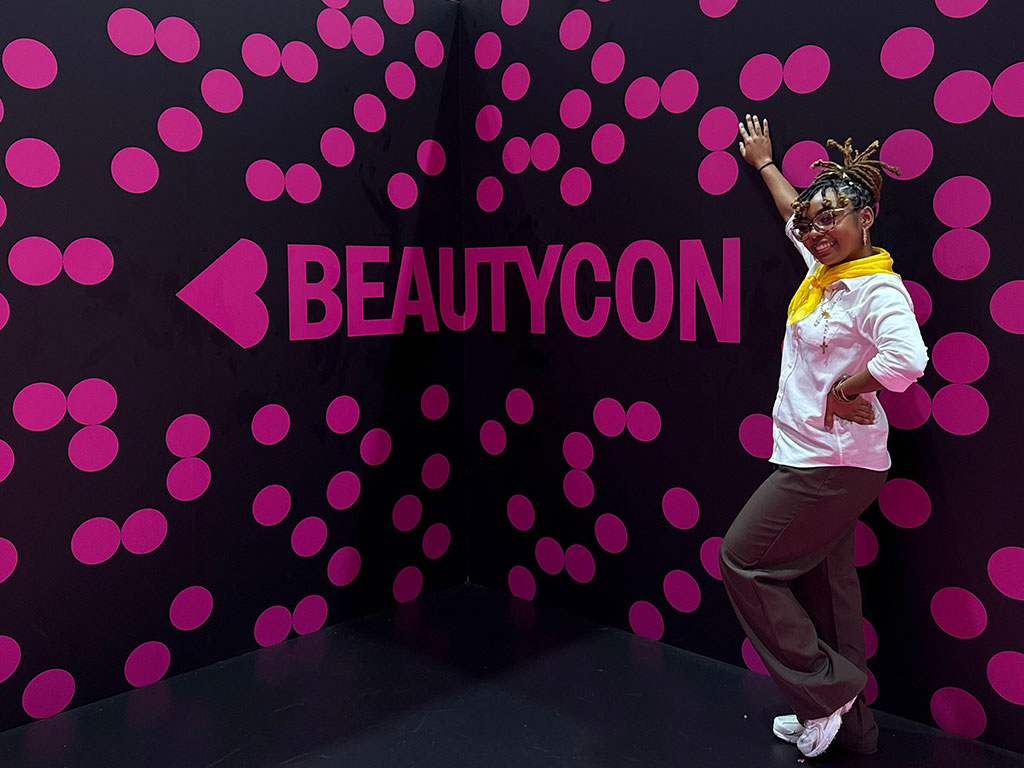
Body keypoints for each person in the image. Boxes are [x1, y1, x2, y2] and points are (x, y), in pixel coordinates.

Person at [719, 115, 928, 759]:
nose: (814, 230)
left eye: (830, 218)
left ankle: (829, 689)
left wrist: (849, 387)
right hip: (821, 455)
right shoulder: (824, 272)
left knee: (744, 561)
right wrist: (764, 164)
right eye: (810, 223)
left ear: (865, 220)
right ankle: (849, 729)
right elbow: (793, 213)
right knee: (828, 593)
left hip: (829, 461)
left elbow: (907, 360)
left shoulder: (874, 288)